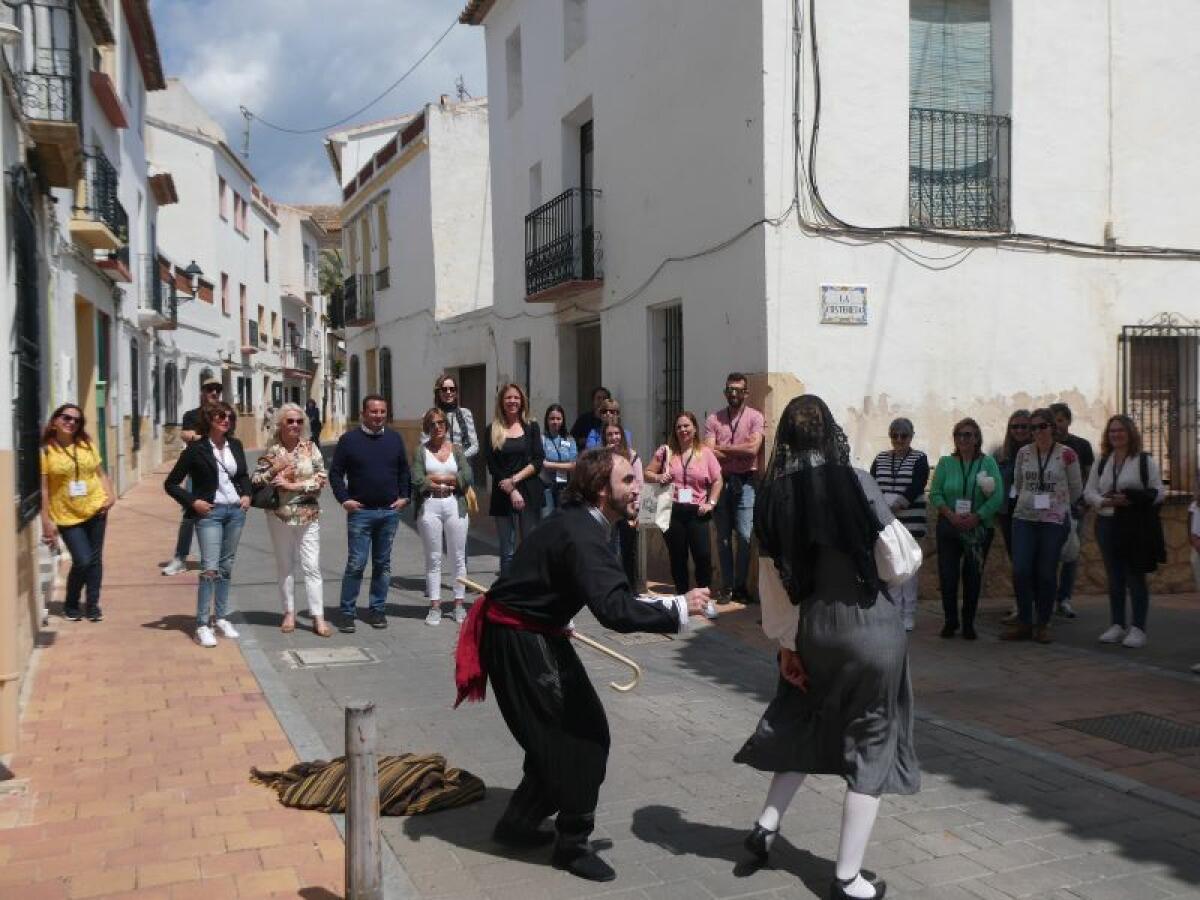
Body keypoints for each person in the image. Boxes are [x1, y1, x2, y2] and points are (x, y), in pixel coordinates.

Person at [453, 448, 710, 882]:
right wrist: (678, 608)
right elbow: (615, 609)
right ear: (599, 489)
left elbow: (551, 573)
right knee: (582, 736)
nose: (637, 488)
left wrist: (556, 611)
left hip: (534, 628)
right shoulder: (584, 531)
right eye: (628, 480)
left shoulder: (582, 522)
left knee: (557, 734)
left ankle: (517, 822)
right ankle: (571, 844)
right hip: (519, 636)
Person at [733, 395, 919, 900]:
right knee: (872, 740)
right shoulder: (855, 479)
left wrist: (788, 646)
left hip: (812, 630)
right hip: (869, 628)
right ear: (830, 431)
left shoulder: (772, 496)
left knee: (803, 716)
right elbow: (899, 561)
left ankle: (765, 827)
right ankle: (846, 878)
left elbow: (772, 585)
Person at [163, 401, 252, 648]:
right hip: (210, 514)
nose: (226, 420)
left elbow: (242, 474)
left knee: (226, 567)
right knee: (210, 569)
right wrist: (193, 503)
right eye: (221, 416)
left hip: (235, 512)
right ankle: (202, 624)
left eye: (229, 416)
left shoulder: (235, 445)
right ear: (209, 420)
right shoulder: (196, 449)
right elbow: (171, 483)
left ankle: (221, 618)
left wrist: (246, 495)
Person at [329, 394, 411, 633]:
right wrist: (344, 499)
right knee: (356, 563)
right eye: (374, 412)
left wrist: (405, 496)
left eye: (382, 412)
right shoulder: (349, 440)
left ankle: (377, 610)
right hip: (361, 513)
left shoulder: (395, 439)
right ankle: (346, 612)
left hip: (388, 513)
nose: (378, 416)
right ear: (363, 413)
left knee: (383, 564)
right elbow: (335, 473)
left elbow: (404, 471)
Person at [1084, 415, 1165, 649]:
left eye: (1120, 430)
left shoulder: (1143, 461)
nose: (1116, 435)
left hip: (1133, 526)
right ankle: (1117, 625)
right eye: (1112, 431)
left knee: (1135, 575)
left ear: (1130, 433)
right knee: (1114, 576)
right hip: (1107, 524)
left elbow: (1159, 492)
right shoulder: (1102, 461)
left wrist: (1131, 498)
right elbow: (1089, 492)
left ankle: (1138, 628)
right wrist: (1106, 502)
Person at [1002, 407, 1083, 644]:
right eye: (1032, 427)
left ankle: (1043, 623)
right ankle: (1025, 622)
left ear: (1052, 427)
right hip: (1024, 517)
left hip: (1053, 520)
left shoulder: (1067, 454)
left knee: (1046, 573)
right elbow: (1018, 483)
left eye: (1042, 426)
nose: (1037, 431)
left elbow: (1076, 488)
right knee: (1021, 570)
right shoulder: (1024, 454)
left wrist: (1057, 502)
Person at [252, 403, 331, 637]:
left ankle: (318, 617)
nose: (295, 425)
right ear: (280, 424)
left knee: (312, 567)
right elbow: (256, 479)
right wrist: (273, 470)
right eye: (290, 421)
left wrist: (292, 485)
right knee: (285, 566)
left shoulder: (311, 448)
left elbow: (320, 479)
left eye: (299, 421)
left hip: (308, 514)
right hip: (279, 515)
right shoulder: (272, 450)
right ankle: (288, 612)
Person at [39, 404, 116, 622]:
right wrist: (47, 521)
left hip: (96, 507)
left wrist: (110, 495)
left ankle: (93, 605)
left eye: (76, 420)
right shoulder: (46, 451)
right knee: (82, 560)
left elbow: (99, 472)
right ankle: (71, 602)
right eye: (66, 418)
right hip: (66, 514)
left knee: (95, 560)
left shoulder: (86, 444)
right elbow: (44, 490)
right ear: (55, 421)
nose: (71, 422)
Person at [929, 418, 1004, 640]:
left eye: (969, 435)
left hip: (978, 528)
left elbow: (997, 495)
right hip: (949, 525)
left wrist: (977, 516)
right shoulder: (945, 463)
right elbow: (935, 493)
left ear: (977, 438)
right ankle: (950, 621)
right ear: (955, 438)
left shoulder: (987, 463)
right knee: (948, 575)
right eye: (960, 435)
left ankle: (969, 622)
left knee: (972, 576)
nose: (964, 439)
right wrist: (950, 515)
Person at [646, 411, 723, 618]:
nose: (682, 430)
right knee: (677, 557)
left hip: (697, 511)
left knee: (703, 556)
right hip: (673, 509)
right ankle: (682, 599)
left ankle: (704, 600)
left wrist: (711, 503)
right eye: (679, 426)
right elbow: (648, 473)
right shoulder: (667, 451)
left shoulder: (705, 453)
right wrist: (660, 476)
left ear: (695, 428)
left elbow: (717, 480)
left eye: (686, 426)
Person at [705, 372, 766, 604]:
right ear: (725, 392)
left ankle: (740, 586)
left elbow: (753, 451)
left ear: (746, 393)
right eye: (729, 389)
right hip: (720, 481)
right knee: (722, 538)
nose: (733, 394)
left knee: (744, 536)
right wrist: (740, 449)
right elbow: (709, 450)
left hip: (746, 483)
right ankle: (727, 587)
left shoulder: (755, 417)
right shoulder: (714, 419)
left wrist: (724, 448)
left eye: (738, 390)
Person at [161, 378, 232, 576]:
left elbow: (228, 438)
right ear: (202, 391)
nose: (214, 393)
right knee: (190, 514)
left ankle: (214, 558)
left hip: (222, 471)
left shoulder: (224, 414)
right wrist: (205, 438)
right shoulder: (192, 415)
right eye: (210, 389)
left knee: (225, 513)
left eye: (218, 389)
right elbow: (185, 434)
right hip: (198, 471)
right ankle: (180, 558)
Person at [412, 407, 473, 626]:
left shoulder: (456, 449)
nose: (437, 427)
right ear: (427, 428)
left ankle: (458, 604)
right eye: (432, 424)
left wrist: (445, 479)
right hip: (430, 505)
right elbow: (417, 478)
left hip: (454, 503)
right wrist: (437, 479)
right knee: (434, 557)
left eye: (441, 423)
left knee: (458, 556)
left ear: (446, 426)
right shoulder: (421, 451)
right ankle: (435, 606)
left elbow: (467, 475)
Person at [868, 417, 929, 631]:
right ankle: (893, 612)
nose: (899, 439)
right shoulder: (881, 458)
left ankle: (909, 613)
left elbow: (918, 484)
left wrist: (897, 505)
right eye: (895, 435)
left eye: (904, 435)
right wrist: (881, 508)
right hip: (886, 523)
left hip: (910, 521)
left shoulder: (919, 458)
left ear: (911, 437)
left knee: (909, 569)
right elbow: (872, 483)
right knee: (890, 566)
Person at [483, 383, 544, 575]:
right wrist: (511, 489)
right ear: (502, 401)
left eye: (516, 398)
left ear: (522, 401)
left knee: (529, 547)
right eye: (508, 398)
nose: (512, 401)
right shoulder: (492, 429)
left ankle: (528, 592)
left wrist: (515, 480)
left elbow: (538, 459)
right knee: (506, 550)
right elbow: (493, 465)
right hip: (503, 493)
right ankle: (507, 595)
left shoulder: (532, 426)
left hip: (529, 491)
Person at [1050, 402, 1095, 619]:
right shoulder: (1044, 445)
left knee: (1070, 554)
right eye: (1053, 421)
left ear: (1068, 421)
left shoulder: (1082, 445)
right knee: (1048, 554)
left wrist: (1083, 503)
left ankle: (1065, 599)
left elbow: (1089, 476)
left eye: (1060, 420)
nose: (1057, 425)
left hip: (1073, 508)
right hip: (1049, 508)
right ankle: (1047, 598)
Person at [994, 410, 1032, 624]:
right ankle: (1021, 604)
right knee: (1016, 561)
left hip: (1031, 513)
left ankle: (1034, 605)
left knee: (1030, 562)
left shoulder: (1036, 452)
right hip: (1008, 513)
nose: (1019, 430)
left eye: (1023, 426)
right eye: (1014, 426)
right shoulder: (1002, 454)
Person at [602, 421, 642, 587]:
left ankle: (631, 588)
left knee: (628, 551)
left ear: (622, 436)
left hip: (627, 509)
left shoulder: (632, 456)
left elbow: (639, 484)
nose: (614, 437)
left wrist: (636, 510)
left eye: (617, 434)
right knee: (608, 549)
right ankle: (610, 586)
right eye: (610, 434)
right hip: (608, 510)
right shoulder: (601, 457)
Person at [424, 373, 480, 463]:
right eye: (444, 389)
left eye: (452, 389)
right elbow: (425, 443)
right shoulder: (430, 416)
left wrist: (458, 458)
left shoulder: (465, 413)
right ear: (438, 392)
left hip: (462, 468)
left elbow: (474, 446)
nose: (448, 392)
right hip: (438, 467)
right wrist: (442, 460)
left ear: (456, 392)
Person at [540, 404, 577, 516]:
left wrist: (550, 464)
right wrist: (565, 465)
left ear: (563, 420)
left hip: (564, 487)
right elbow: (540, 463)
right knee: (548, 520)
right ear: (547, 420)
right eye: (552, 418)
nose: (555, 422)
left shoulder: (569, 439)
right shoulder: (541, 439)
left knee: (564, 520)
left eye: (558, 418)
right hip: (546, 487)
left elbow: (574, 465)